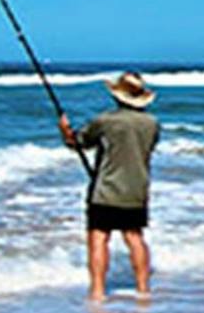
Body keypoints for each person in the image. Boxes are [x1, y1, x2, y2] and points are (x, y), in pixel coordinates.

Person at [60, 71, 160, 301]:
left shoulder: (105, 121)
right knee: (134, 237)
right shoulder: (152, 124)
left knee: (98, 237)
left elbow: (78, 143)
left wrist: (65, 130)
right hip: (137, 189)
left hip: (105, 190)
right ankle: (143, 289)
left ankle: (97, 291)